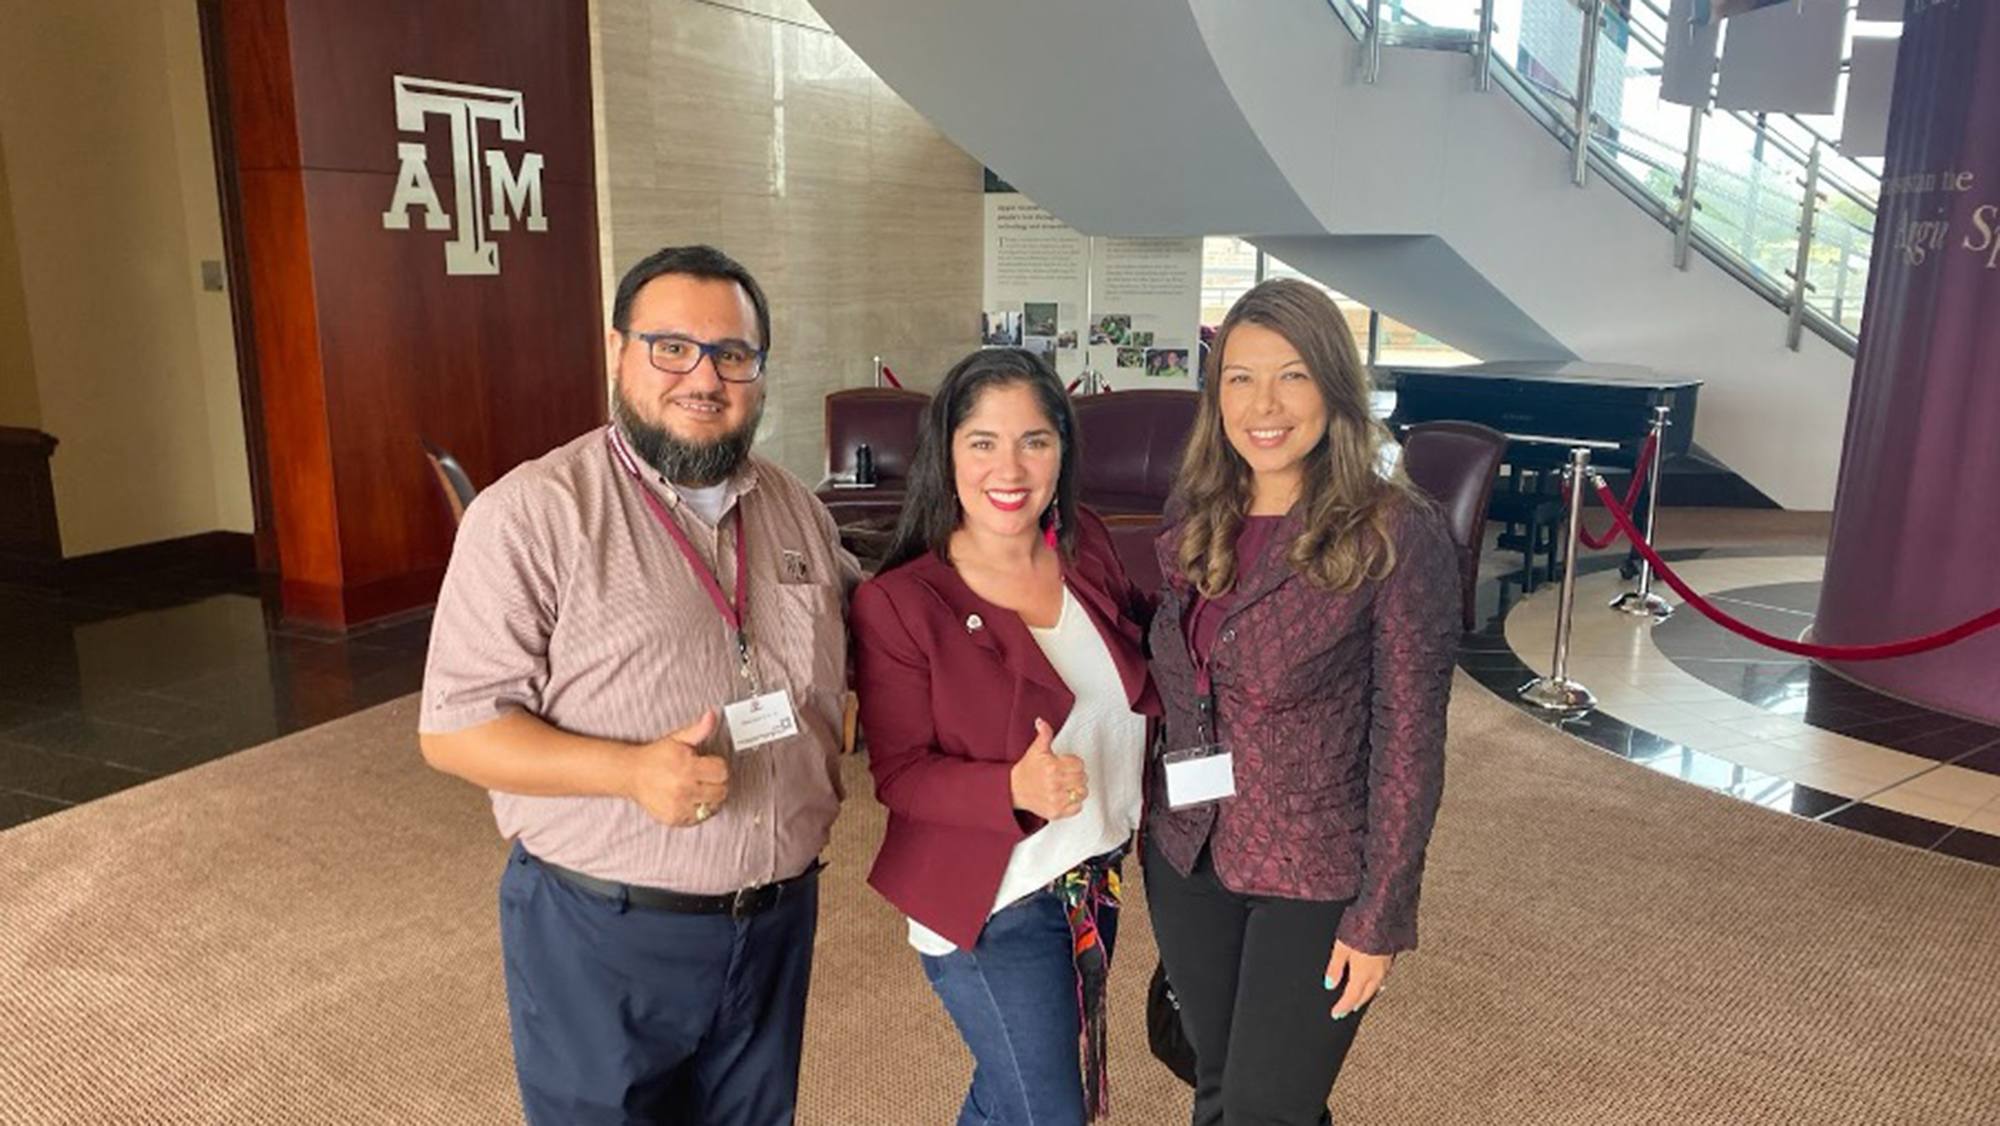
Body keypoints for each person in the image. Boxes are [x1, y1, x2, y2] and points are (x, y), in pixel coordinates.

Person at [417, 245, 858, 1126]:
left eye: (732, 354)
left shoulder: (795, 508)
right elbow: (456, 729)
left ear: (760, 373)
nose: (704, 376)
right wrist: (627, 772)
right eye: (671, 348)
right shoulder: (534, 515)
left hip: (774, 923)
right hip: (604, 932)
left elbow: (871, 626)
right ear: (619, 353)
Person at [1142, 278, 1458, 1125]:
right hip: (1188, 857)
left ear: (1334, 386)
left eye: (1291, 375)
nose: (1263, 404)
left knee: (1263, 1109)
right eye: (1239, 378)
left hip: (1315, 873)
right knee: (1218, 1086)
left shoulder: (1394, 531)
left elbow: (1410, 744)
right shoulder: (1197, 515)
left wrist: (1382, 915)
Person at [850, 348, 1160, 1126]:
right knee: (1050, 1110)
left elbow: (1139, 667)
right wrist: (1011, 789)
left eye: (1035, 440)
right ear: (946, 453)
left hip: (1092, 878)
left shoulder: (1082, 543)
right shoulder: (902, 602)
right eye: (982, 441)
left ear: (1064, 450)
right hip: (993, 904)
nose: (1009, 467)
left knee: (1012, 1092)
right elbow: (900, 775)